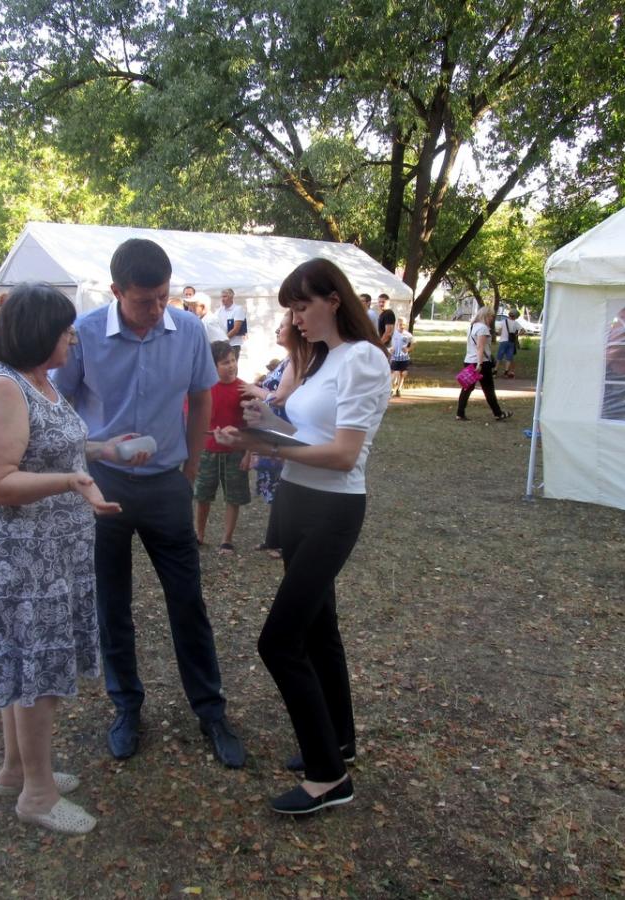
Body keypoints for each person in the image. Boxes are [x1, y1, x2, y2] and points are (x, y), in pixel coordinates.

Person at [52, 238, 246, 768]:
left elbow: (203, 395)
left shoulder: (187, 331)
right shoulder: (86, 334)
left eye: (163, 296)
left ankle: (210, 710)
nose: (157, 308)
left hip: (166, 485)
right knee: (112, 604)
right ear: (116, 291)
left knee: (187, 600)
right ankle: (126, 706)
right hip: (104, 483)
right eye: (144, 300)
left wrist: (188, 471)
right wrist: (82, 461)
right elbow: (59, 400)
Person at [0, 282, 143, 836]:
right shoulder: (2, 387)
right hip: (19, 561)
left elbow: (42, 442)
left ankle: (16, 769)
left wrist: (101, 450)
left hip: (51, 555)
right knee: (35, 671)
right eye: (66, 331)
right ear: (40, 333)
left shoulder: (36, 380)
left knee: (29, 666)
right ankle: (36, 796)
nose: (72, 339)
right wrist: (71, 479)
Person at [214, 257, 390, 816]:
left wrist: (266, 445)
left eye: (303, 305)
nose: (295, 317)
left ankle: (328, 777)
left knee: (278, 642)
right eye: (291, 307)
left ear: (333, 300)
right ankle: (338, 741)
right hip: (295, 499)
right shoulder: (321, 361)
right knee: (318, 631)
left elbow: (341, 455)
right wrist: (260, 426)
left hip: (332, 508)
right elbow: (305, 433)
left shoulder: (363, 359)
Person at [241, 312, 308, 559]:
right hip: (274, 425)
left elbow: (278, 397)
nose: (277, 330)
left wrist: (252, 389)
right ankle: (276, 538)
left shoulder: (297, 359)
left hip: (283, 427)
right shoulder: (289, 359)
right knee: (278, 487)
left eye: (282, 326)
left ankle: (283, 542)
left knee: (284, 485)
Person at [194, 341, 251, 553]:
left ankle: (227, 539)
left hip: (235, 452)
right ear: (213, 365)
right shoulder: (203, 389)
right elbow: (191, 415)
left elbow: (252, 425)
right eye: (225, 362)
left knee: (233, 497)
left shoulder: (244, 389)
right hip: (207, 451)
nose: (231, 365)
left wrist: (249, 453)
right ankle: (199, 535)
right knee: (202, 496)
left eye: (233, 360)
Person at [456, 306, 511, 421]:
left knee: (467, 388)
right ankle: (498, 413)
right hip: (481, 363)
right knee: (488, 389)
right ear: (486, 315)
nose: (492, 318)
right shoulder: (483, 328)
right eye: (491, 316)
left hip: (469, 360)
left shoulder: (472, 327)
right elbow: (480, 347)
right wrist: (479, 364)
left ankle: (460, 413)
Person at [218, 288, 247, 363]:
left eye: (225, 296)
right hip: (223, 343)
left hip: (233, 344)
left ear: (231, 297)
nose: (222, 299)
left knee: (232, 366)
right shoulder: (220, 310)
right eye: (222, 297)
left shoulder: (238, 309)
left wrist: (224, 340)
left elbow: (236, 329)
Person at [389, 320, 414, 396]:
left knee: (403, 374)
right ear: (397, 324)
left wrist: (408, 349)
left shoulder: (408, 335)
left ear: (405, 325)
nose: (402, 326)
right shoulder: (393, 334)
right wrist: (390, 349)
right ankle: (391, 389)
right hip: (395, 357)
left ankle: (398, 389)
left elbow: (414, 343)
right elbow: (389, 342)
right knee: (395, 373)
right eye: (400, 324)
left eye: (403, 325)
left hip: (404, 358)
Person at [497, 308, 521, 378]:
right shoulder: (516, 323)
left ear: (509, 314)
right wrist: (516, 335)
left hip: (503, 341)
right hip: (511, 342)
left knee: (499, 357)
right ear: (516, 316)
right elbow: (523, 330)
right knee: (509, 358)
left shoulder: (503, 322)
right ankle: (506, 372)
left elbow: (499, 331)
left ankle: (495, 371)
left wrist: (501, 334)